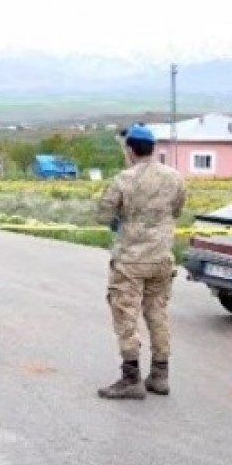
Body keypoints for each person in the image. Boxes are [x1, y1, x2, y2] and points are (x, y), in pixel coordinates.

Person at [95, 123, 186, 399]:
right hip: (161, 259)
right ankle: (160, 375)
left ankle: (130, 377)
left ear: (131, 149)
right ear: (153, 149)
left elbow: (102, 215)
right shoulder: (175, 178)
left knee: (126, 315)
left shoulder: (124, 180)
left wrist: (120, 218)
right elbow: (178, 210)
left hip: (131, 261)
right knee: (157, 313)